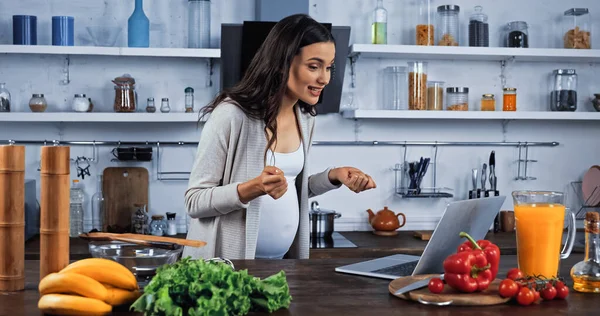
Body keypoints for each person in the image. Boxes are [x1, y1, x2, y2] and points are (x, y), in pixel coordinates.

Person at [183, 14, 376, 260]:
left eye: (329, 67)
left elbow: (290, 188)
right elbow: (195, 201)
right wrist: (251, 188)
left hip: (282, 266)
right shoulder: (231, 115)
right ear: (282, 63)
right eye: (314, 66)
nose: (325, 78)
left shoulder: (305, 118)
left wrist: (333, 176)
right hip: (228, 267)